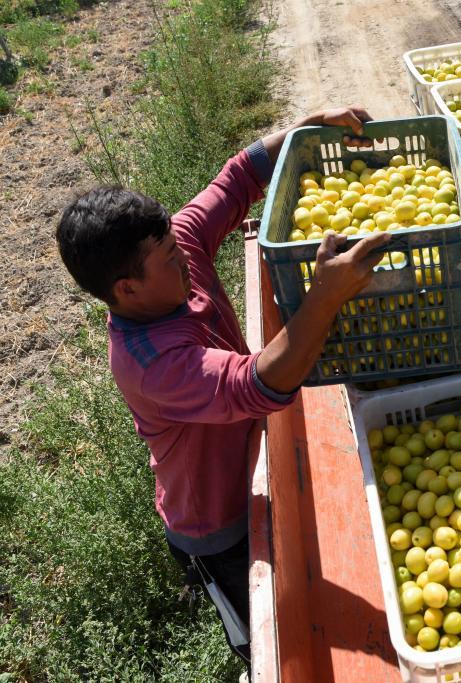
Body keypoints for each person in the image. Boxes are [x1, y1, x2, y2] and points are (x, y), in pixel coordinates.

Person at [55, 106, 389, 666]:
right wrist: (325, 296)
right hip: (218, 523)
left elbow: (237, 178)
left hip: (252, 454)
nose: (184, 258)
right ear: (127, 289)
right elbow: (256, 384)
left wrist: (306, 127)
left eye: (174, 243)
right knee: (265, 636)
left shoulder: (174, 250)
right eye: (168, 258)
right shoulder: (151, 364)